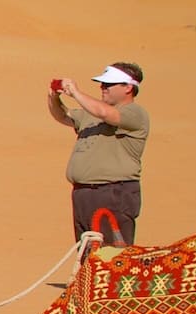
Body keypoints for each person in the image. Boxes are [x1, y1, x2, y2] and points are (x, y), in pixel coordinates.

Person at [48, 62, 148, 245]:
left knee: (112, 257)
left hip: (113, 194)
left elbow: (105, 113)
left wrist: (76, 93)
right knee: (87, 256)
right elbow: (63, 116)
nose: (103, 88)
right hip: (84, 194)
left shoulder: (134, 113)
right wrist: (54, 96)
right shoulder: (92, 112)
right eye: (102, 84)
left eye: (108, 84)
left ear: (128, 87)